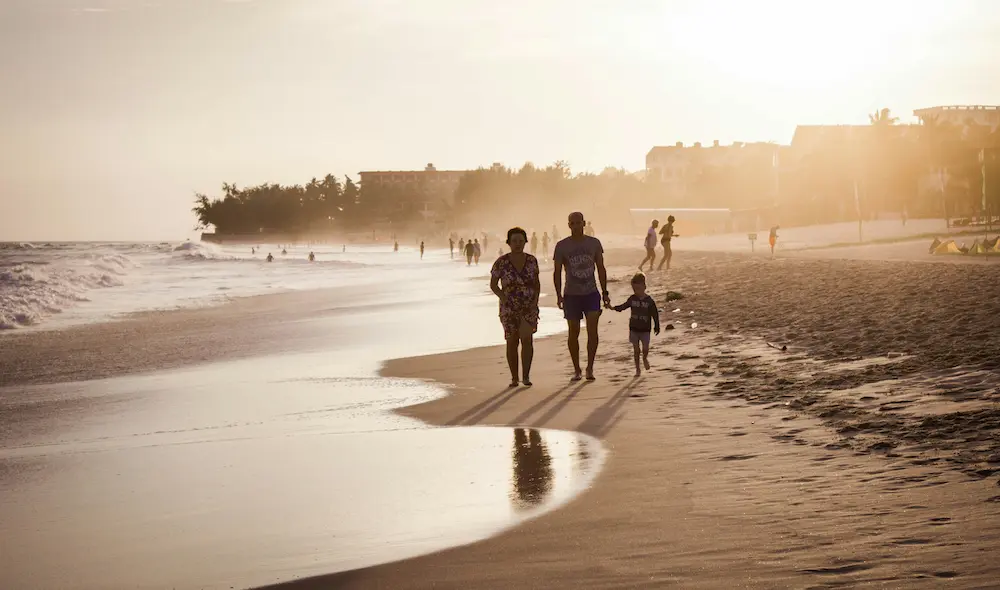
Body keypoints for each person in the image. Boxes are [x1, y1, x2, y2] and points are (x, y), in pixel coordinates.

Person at [553, 211, 610, 381]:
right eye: (573, 223)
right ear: (569, 225)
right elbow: (557, 272)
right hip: (571, 295)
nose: (576, 226)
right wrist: (558, 295)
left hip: (591, 293)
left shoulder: (594, 243)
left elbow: (601, 268)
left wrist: (605, 292)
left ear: (584, 223)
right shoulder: (562, 246)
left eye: (579, 223)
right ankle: (576, 369)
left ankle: (590, 367)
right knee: (573, 332)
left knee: (592, 330)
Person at [490, 227, 541, 388]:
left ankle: (526, 376)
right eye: (514, 241)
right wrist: (504, 298)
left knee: (527, 340)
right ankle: (514, 378)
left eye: (520, 241)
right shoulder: (501, 262)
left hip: (528, 307)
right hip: (508, 308)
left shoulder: (532, 260)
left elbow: (536, 284)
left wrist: (534, 303)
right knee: (511, 341)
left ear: (525, 242)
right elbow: (493, 285)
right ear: (508, 243)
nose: (518, 244)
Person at [612, 273, 661, 376]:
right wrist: (614, 308)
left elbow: (655, 314)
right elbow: (624, 306)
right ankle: (637, 369)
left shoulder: (649, 301)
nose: (636, 291)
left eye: (638, 289)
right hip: (634, 328)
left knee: (645, 349)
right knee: (636, 350)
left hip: (645, 329)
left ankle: (645, 358)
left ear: (644, 287)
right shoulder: (632, 299)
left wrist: (657, 326)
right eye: (634, 289)